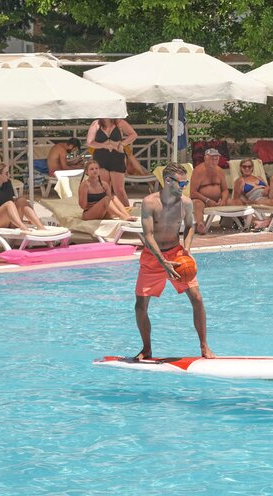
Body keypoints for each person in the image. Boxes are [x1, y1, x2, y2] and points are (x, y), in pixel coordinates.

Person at [135, 162, 214, 361]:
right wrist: (162, 262)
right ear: (168, 181)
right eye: (181, 183)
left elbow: (190, 226)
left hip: (177, 255)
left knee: (197, 298)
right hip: (153, 257)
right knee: (140, 305)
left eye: (186, 183)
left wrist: (186, 249)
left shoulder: (186, 203)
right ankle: (146, 349)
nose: (184, 187)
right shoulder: (149, 202)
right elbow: (148, 235)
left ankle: (204, 346)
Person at [0, 163, 47, 232]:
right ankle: (23, 228)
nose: (9, 175)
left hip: (8, 221)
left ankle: (40, 227)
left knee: (21, 200)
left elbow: (12, 201)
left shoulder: (8, 183)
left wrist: (26, 211)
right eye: (6, 173)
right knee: (9, 204)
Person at [87, 118, 138, 207]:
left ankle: (127, 211)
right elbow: (90, 142)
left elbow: (133, 135)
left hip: (117, 157)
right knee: (104, 189)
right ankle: (107, 211)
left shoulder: (119, 122)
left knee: (119, 190)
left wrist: (122, 144)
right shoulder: (96, 124)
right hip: (101, 158)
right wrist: (104, 145)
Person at [189, 148, 229, 234]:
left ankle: (252, 221)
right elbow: (193, 193)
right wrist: (207, 200)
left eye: (216, 158)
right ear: (205, 158)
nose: (214, 161)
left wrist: (223, 200)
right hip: (203, 200)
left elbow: (225, 190)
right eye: (212, 158)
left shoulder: (220, 171)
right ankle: (200, 224)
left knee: (235, 201)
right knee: (197, 204)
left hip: (218, 201)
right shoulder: (198, 171)